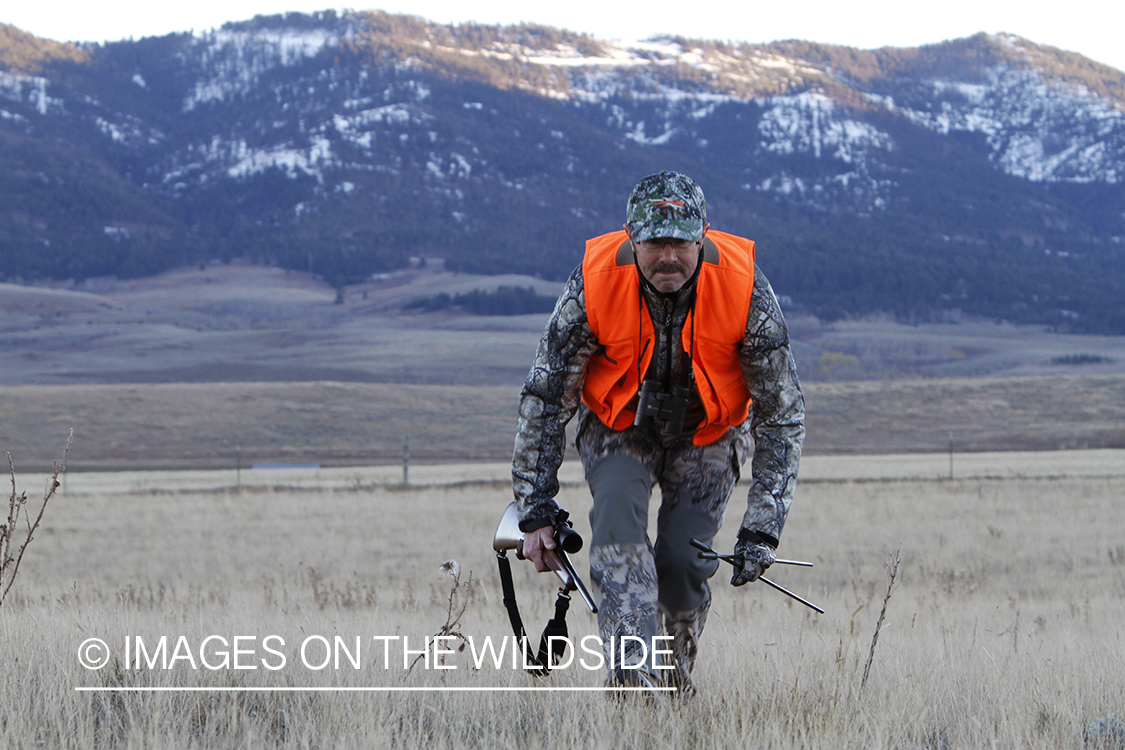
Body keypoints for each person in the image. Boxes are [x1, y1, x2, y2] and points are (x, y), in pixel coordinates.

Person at [510, 170, 804, 691]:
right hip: (619, 427)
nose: (668, 256)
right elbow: (547, 395)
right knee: (619, 538)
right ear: (631, 237)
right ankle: (632, 683)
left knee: (683, 562)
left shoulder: (744, 288)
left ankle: (674, 683)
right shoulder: (594, 282)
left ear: (703, 235)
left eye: (681, 242)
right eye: (654, 243)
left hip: (710, 433)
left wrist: (764, 525)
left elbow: (780, 413)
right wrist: (535, 510)